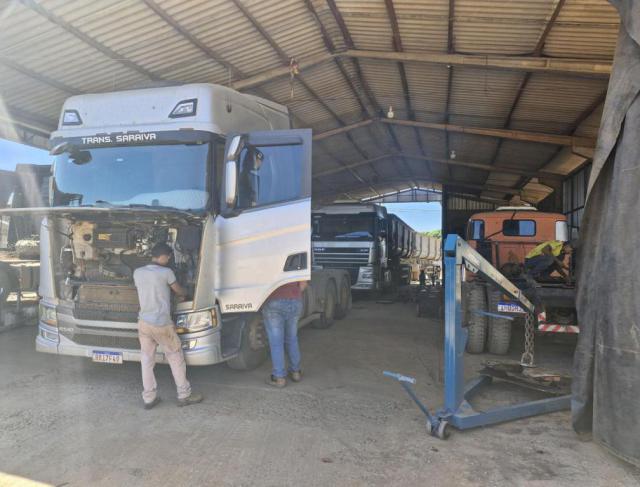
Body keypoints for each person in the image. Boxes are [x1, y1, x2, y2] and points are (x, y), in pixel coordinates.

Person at [133, 243, 203, 409]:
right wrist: (187, 292)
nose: (169, 259)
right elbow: (178, 290)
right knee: (175, 357)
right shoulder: (166, 272)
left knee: (147, 360)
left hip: (143, 322)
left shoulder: (138, 272)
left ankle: (149, 398)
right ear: (163, 256)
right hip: (161, 324)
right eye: (169, 257)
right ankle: (184, 395)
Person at [261, 280, 308, 388]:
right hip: (295, 301)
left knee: (276, 342)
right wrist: (292, 294)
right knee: (292, 339)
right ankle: (295, 372)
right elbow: (303, 283)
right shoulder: (297, 267)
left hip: (274, 302)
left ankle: (279, 377)